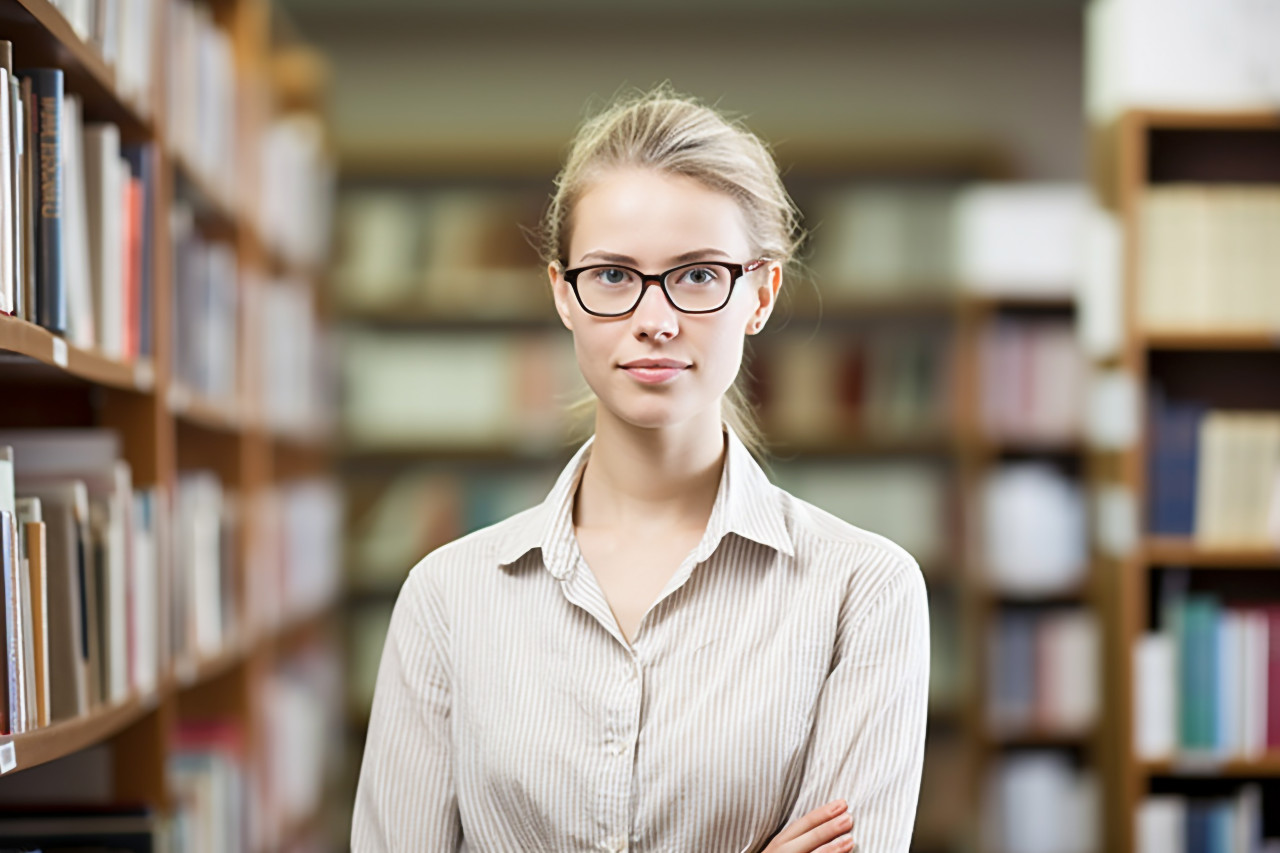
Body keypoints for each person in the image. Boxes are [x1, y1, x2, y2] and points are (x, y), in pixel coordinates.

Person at [351, 85, 930, 853]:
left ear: (761, 293)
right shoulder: (446, 599)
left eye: (697, 275)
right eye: (614, 276)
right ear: (564, 295)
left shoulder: (865, 592)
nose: (654, 319)